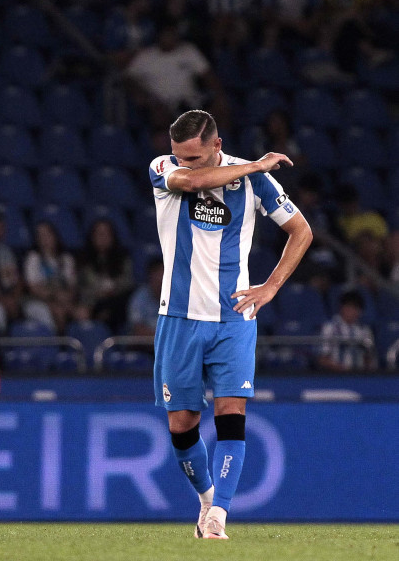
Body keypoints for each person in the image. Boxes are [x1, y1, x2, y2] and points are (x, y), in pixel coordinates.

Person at [150, 110, 312, 539]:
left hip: (233, 318)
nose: (185, 164)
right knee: (181, 425)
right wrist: (256, 165)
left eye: (195, 157)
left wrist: (272, 286)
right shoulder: (164, 168)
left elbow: (301, 231)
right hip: (179, 318)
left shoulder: (256, 183)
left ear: (217, 147)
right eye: (179, 156)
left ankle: (219, 515)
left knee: (231, 414)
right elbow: (194, 183)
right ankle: (205, 500)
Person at [76, 219, 133, 332]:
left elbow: (128, 283)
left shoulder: (123, 260)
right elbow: (80, 288)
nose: (103, 237)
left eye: (106, 234)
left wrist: (113, 290)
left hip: (117, 302)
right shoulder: (83, 261)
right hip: (93, 303)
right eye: (99, 234)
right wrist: (97, 294)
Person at [23, 221, 78, 333]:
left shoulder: (66, 258)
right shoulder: (33, 258)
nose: (44, 239)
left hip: (64, 300)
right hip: (40, 300)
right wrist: (53, 297)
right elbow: (33, 288)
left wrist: (66, 299)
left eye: (47, 235)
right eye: (40, 236)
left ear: (55, 236)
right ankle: (58, 345)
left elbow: (72, 286)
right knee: (55, 313)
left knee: (80, 313)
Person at [318, 290, 377, 372]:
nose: (352, 311)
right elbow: (322, 359)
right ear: (341, 307)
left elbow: (368, 357)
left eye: (355, 308)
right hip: (335, 376)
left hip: (359, 377)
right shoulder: (330, 328)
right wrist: (343, 370)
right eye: (349, 307)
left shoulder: (365, 330)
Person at [127, 258, 164, 337]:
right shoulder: (139, 297)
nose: (160, 279)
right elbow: (137, 328)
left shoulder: (177, 298)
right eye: (157, 274)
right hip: (143, 346)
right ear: (150, 277)